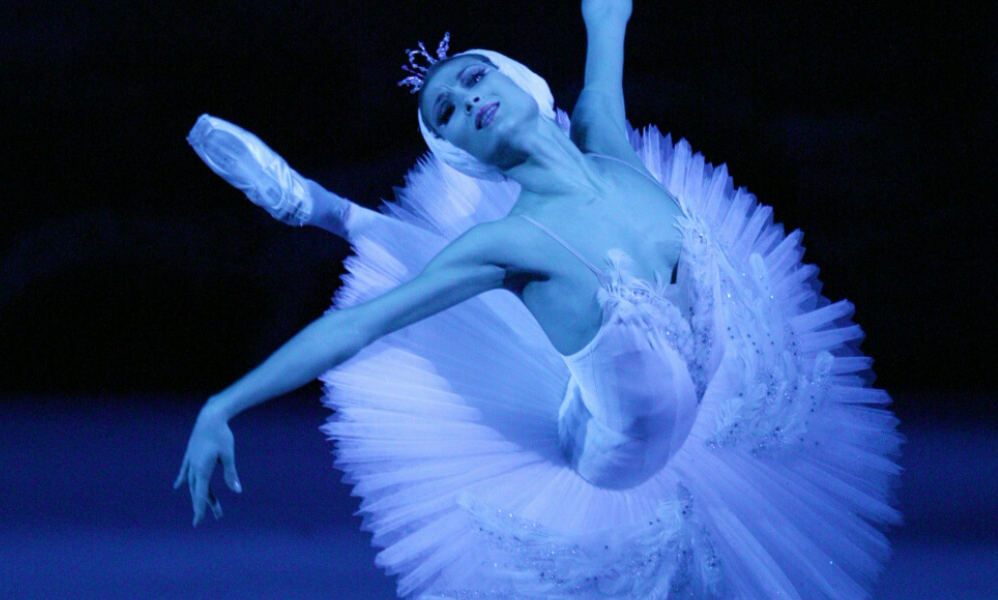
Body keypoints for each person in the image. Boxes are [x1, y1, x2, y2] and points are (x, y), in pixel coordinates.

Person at [175, 1, 901, 597]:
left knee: (506, 316)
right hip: (607, 464)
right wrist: (222, 405)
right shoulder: (510, 242)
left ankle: (326, 208)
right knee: (458, 292)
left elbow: (606, 16)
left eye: (473, 77)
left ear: (522, 82)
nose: (467, 98)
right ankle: (327, 211)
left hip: (690, 406)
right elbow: (361, 324)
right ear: (458, 152)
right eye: (447, 110)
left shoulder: (608, 143)